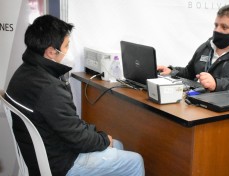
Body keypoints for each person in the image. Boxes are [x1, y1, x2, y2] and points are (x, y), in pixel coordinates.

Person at [5, 15, 145, 176]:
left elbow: (70, 125)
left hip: (42, 155)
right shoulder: (49, 88)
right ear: (51, 52)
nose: (68, 52)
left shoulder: (24, 72)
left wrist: (100, 137)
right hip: (60, 164)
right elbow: (78, 138)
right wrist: (104, 139)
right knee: (134, 161)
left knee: (117, 145)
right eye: (66, 46)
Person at [157, 4, 229, 94]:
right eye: (216, 25)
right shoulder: (207, 47)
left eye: (224, 27)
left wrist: (216, 84)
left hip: (225, 112)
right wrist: (172, 71)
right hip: (197, 104)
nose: (217, 30)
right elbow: (189, 72)